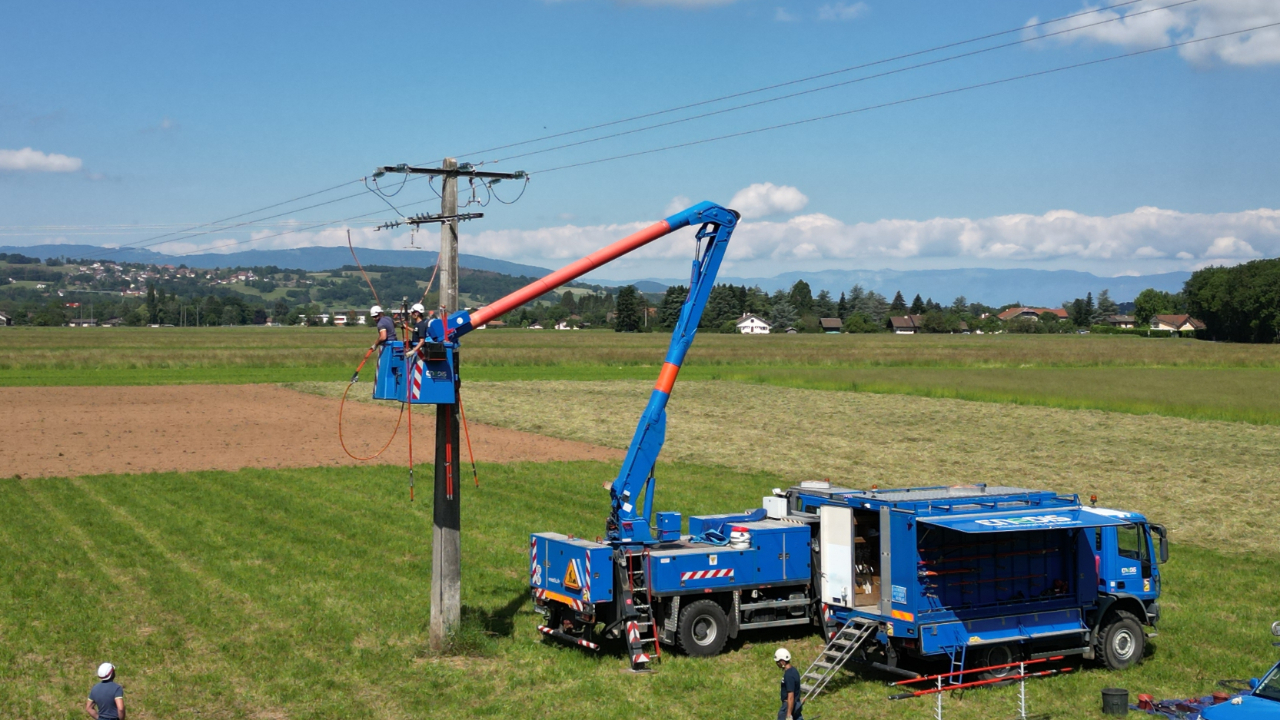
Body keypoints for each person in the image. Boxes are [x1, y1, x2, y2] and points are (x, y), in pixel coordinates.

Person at [775, 648, 803, 720]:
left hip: (788, 706)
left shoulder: (788, 675)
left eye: (777, 662)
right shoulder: (794, 671)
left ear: (782, 662)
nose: (777, 664)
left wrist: (788, 715)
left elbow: (790, 696)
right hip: (796, 704)